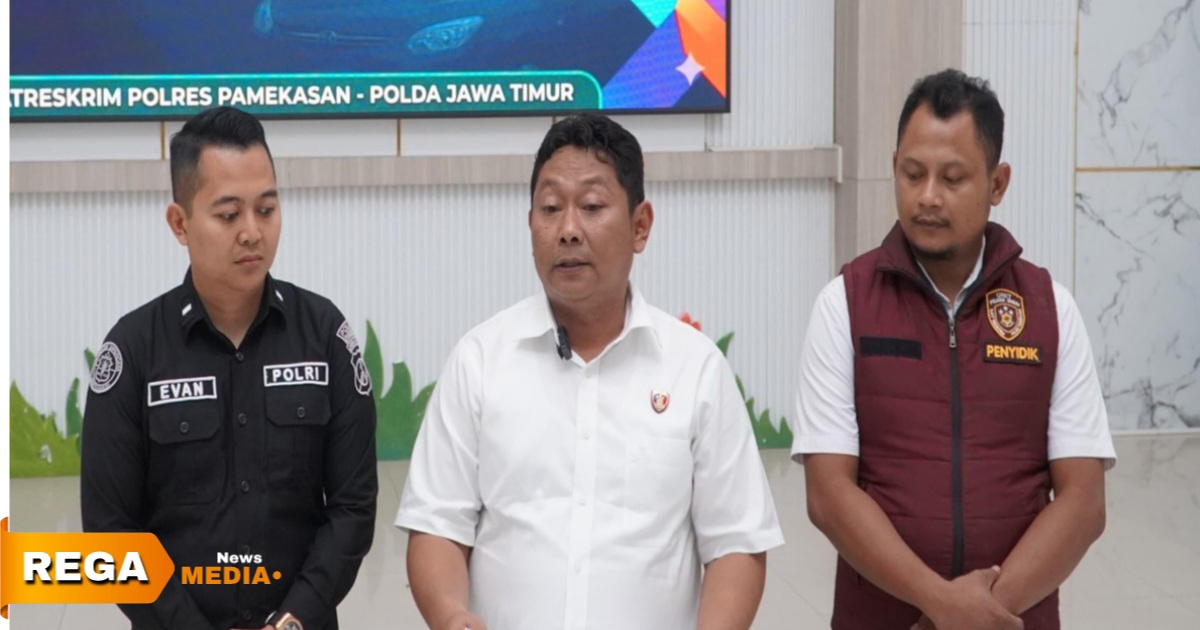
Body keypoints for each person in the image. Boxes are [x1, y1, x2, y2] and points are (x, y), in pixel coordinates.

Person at [396, 113, 784, 630]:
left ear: (640, 226)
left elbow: (736, 542)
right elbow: (437, 525)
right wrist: (450, 615)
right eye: (550, 208)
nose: (568, 230)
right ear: (530, 224)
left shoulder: (695, 369)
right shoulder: (479, 360)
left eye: (593, 207)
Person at [794, 69, 1116, 630]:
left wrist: (979, 614)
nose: (927, 197)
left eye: (953, 178)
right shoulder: (844, 303)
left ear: (997, 183)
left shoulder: (1049, 308)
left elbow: (1083, 502)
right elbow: (828, 495)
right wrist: (940, 604)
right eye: (912, 173)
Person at [81, 106, 378, 630]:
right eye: (228, 215)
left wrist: (291, 621)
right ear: (180, 223)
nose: (252, 232)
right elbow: (110, 532)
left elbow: (353, 507)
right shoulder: (133, 351)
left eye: (266, 209)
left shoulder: (324, 335)